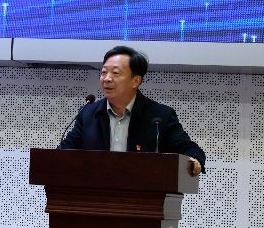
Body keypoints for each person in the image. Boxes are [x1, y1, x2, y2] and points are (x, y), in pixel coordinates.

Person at [59, 45, 205, 175]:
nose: (107, 79)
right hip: (94, 193)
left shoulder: (160, 116)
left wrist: (194, 159)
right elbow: (64, 152)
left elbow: (189, 149)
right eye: (103, 72)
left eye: (115, 73)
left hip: (143, 193)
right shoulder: (88, 113)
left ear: (136, 81)